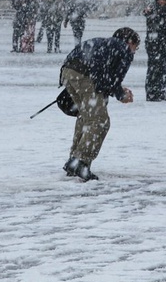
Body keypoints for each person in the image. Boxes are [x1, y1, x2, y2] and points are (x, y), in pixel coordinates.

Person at [60, 27, 140, 181]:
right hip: (85, 75)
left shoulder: (105, 43)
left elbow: (104, 76)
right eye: (136, 46)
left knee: (86, 117)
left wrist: (115, 89)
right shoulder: (124, 50)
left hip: (68, 71)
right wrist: (121, 94)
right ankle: (80, 161)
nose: (135, 51)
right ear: (130, 42)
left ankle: (74, 160)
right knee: (100, 121)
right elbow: (112, 78)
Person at [143, 0, 166, 101]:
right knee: (153, 69)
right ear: (158, 0)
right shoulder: (153, 9)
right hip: (154, 43)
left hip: (164, 43)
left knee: (163, 69)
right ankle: (151, 93)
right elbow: (152, 18)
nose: (165, 2)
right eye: (163, 0)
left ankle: (160, 91)